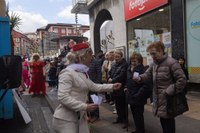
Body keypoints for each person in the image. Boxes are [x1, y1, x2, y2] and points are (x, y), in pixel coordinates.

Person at [52, 43, 122, 133]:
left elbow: (93, 86)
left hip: (79, 117)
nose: (92, 58)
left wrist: (112, 86)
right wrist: (85, 106)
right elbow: (63, 97)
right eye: (90, 55)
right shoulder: (67, 73)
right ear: (82, 57)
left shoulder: (81, 72)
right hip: (66, 120)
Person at [133, 41, 186, 133]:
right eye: (151, 54)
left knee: (168, 121)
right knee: (163, 119)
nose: (152, 56)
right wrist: (139, 78)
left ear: (161, 51)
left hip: (168, 98)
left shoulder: (172, 62)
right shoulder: (154, 64)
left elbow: (182, 80)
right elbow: (147, 75)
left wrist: (169, 91)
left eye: (154, 53)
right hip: (159, 97)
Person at [126, 52, 152, 133]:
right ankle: (138, 129)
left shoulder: (142, 69)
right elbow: (129, 80)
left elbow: (146, 85)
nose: (133, 63)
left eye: (135, 61)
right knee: (134, 114)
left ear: (140, 61)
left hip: (138, 96)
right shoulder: (130, 68)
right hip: (131, 95)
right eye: (132, 61)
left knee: (139, 115)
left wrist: (138, 94)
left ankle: (141, 130)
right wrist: (126, 87)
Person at [108, 49, 128, 128]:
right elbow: (109, 73)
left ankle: (125, 120)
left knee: (123, 105)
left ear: (121, 56)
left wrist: (112, 80)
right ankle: (119, 118)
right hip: (114, 87)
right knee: (117, 104)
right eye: (115, 57)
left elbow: (122, 75)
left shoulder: (125, 64)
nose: (116, 58)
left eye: (118, 57)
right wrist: (109, 78)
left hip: (121, 86)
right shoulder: (113, 64)